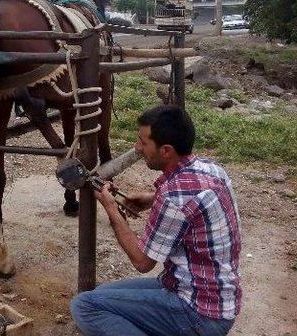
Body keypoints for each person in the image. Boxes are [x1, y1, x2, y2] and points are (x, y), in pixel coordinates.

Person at [70, 105, 241, 336]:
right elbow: (195, 199)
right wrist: (152, 198)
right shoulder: (212, 170)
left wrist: (111, 207)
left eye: (143, 142)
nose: (137, 147)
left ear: (166, 151)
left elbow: (142, 263)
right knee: (100, 295)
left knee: (85, 306)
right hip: (213, 297)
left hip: (198, 313)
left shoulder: (173, 196)